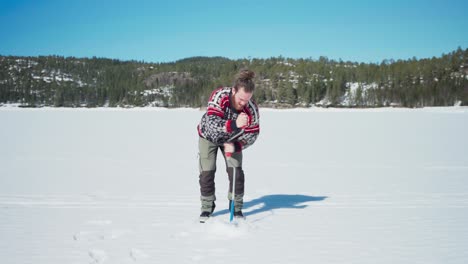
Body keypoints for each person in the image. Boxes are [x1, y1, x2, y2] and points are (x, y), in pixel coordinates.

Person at [197, 69, 260, 223]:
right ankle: (206, 208)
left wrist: (237, 146)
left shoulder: (251, 109)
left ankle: (236, 208)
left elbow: (253, 134)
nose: (243, 104)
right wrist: (234, 123)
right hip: (208, 136)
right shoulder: (220, 96)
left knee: (236, 172)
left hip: (232, 140)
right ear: (234, 91)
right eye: (240, 99)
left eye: (247, 100)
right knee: (207, 172)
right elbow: (212, 124)